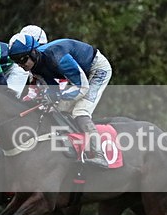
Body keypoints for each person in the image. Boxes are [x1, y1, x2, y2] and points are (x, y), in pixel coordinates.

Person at [8, 35, 112, 168]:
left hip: (97, 70)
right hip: (79, 75)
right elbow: (53, 90)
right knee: (58, 110)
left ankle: (99, 155)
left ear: (33, 53)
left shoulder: (56, 56)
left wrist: (55, 96)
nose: (20, 65)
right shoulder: (34, 67)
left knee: (80, 111)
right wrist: (50, 97)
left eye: (22, 59)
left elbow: (82, 86)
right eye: (16, 61)